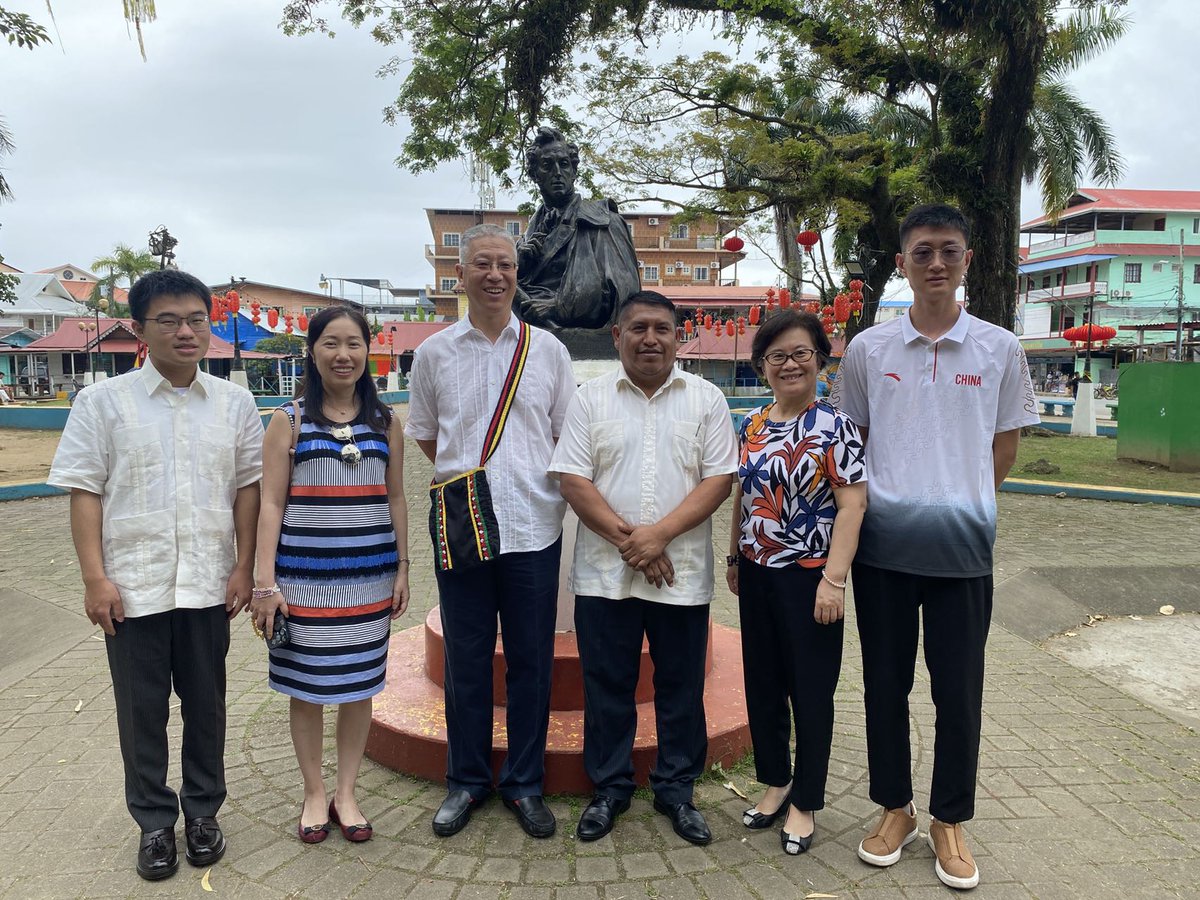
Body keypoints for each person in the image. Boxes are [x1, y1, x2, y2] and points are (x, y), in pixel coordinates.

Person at [831, 204, 1039, 890]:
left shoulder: (999, 348)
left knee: (960, 691)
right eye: (922, 252)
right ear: (903, 263)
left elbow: (1002, 448)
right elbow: (851, 444)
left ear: (968, 258)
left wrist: (959, 498)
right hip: (883, 552)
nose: (936, 264)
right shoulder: (869, 349)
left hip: (963, 553)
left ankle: (950, 819)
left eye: (949, 250)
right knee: (885, 687)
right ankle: (896, 808)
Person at [48, 269, 263, 881]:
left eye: (197, 319)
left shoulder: (235, 404)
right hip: (131, 588)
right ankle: (152, 823)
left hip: (207, 582)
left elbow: (247, 490)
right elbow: (85, 492)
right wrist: (95, 579)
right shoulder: (101, 404)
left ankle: (202, 812)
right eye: (168, 320)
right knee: (140, 713)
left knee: (208, 706)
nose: (186, 331)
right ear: (141, 330)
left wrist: (243, 567)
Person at [549, 291, 738, 846]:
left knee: (680, 685)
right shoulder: (589, 401)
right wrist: (635, 543)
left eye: (661, 328)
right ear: (617, 336)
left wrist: (660, 537)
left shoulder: (706, 400)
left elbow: (718, 481)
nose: (650, 338)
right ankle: (609, 789)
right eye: (638, 328)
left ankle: (677, 790)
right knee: (607, 684)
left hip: (681, 575)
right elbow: (573, 480)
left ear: (678, 337)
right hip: (603, 577)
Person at [406, 223, 576, 839]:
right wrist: (466, 484)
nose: (495, 274)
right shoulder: (433, 353)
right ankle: (467, 779)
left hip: (534, 526)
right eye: (482, 263)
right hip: (462, 529)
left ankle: (525, 783)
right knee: (467, 659)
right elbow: (429, 434)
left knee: (531, 660)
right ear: (461, 275)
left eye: (505, 264)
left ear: (517, 273)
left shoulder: (548, 351)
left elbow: (564, 437)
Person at [250, 306, 409, 845]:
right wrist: (264, 583)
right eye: (331, 344)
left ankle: (347, 792)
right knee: (308, 689)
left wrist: (403, 569)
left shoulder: (387, 422)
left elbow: (395, 497)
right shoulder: (288, 420)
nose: (343, 355)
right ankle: (314, 792)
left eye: (354, 344)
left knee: (359, 688)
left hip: (368, 579)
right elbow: (270, 504)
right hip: (303, 581)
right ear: (312, 351)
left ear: (369, 351)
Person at [727, 309, 867, 856]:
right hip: (757, 575)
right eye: (776, 356)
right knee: (762, 683)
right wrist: (734, 555)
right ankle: (776, 781)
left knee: (810, 692)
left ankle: (806, 799)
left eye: (800, 353)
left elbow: (853, 507)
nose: (789, 364)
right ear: (762, 366)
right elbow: (742, 493)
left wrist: (834, 580)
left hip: (812, 579)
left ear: (820, 361)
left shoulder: (836, 427)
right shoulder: (753, 425)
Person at [514, 125, 641, 329]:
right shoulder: (530, 232)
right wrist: (518, 268)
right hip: (530, 340)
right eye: (547, 165)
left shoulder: (604, 222)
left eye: (564, 164)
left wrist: (558, 308)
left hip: (584, 344)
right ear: (535, 174)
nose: (557, 172)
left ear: (573, 172)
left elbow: (626, 294)